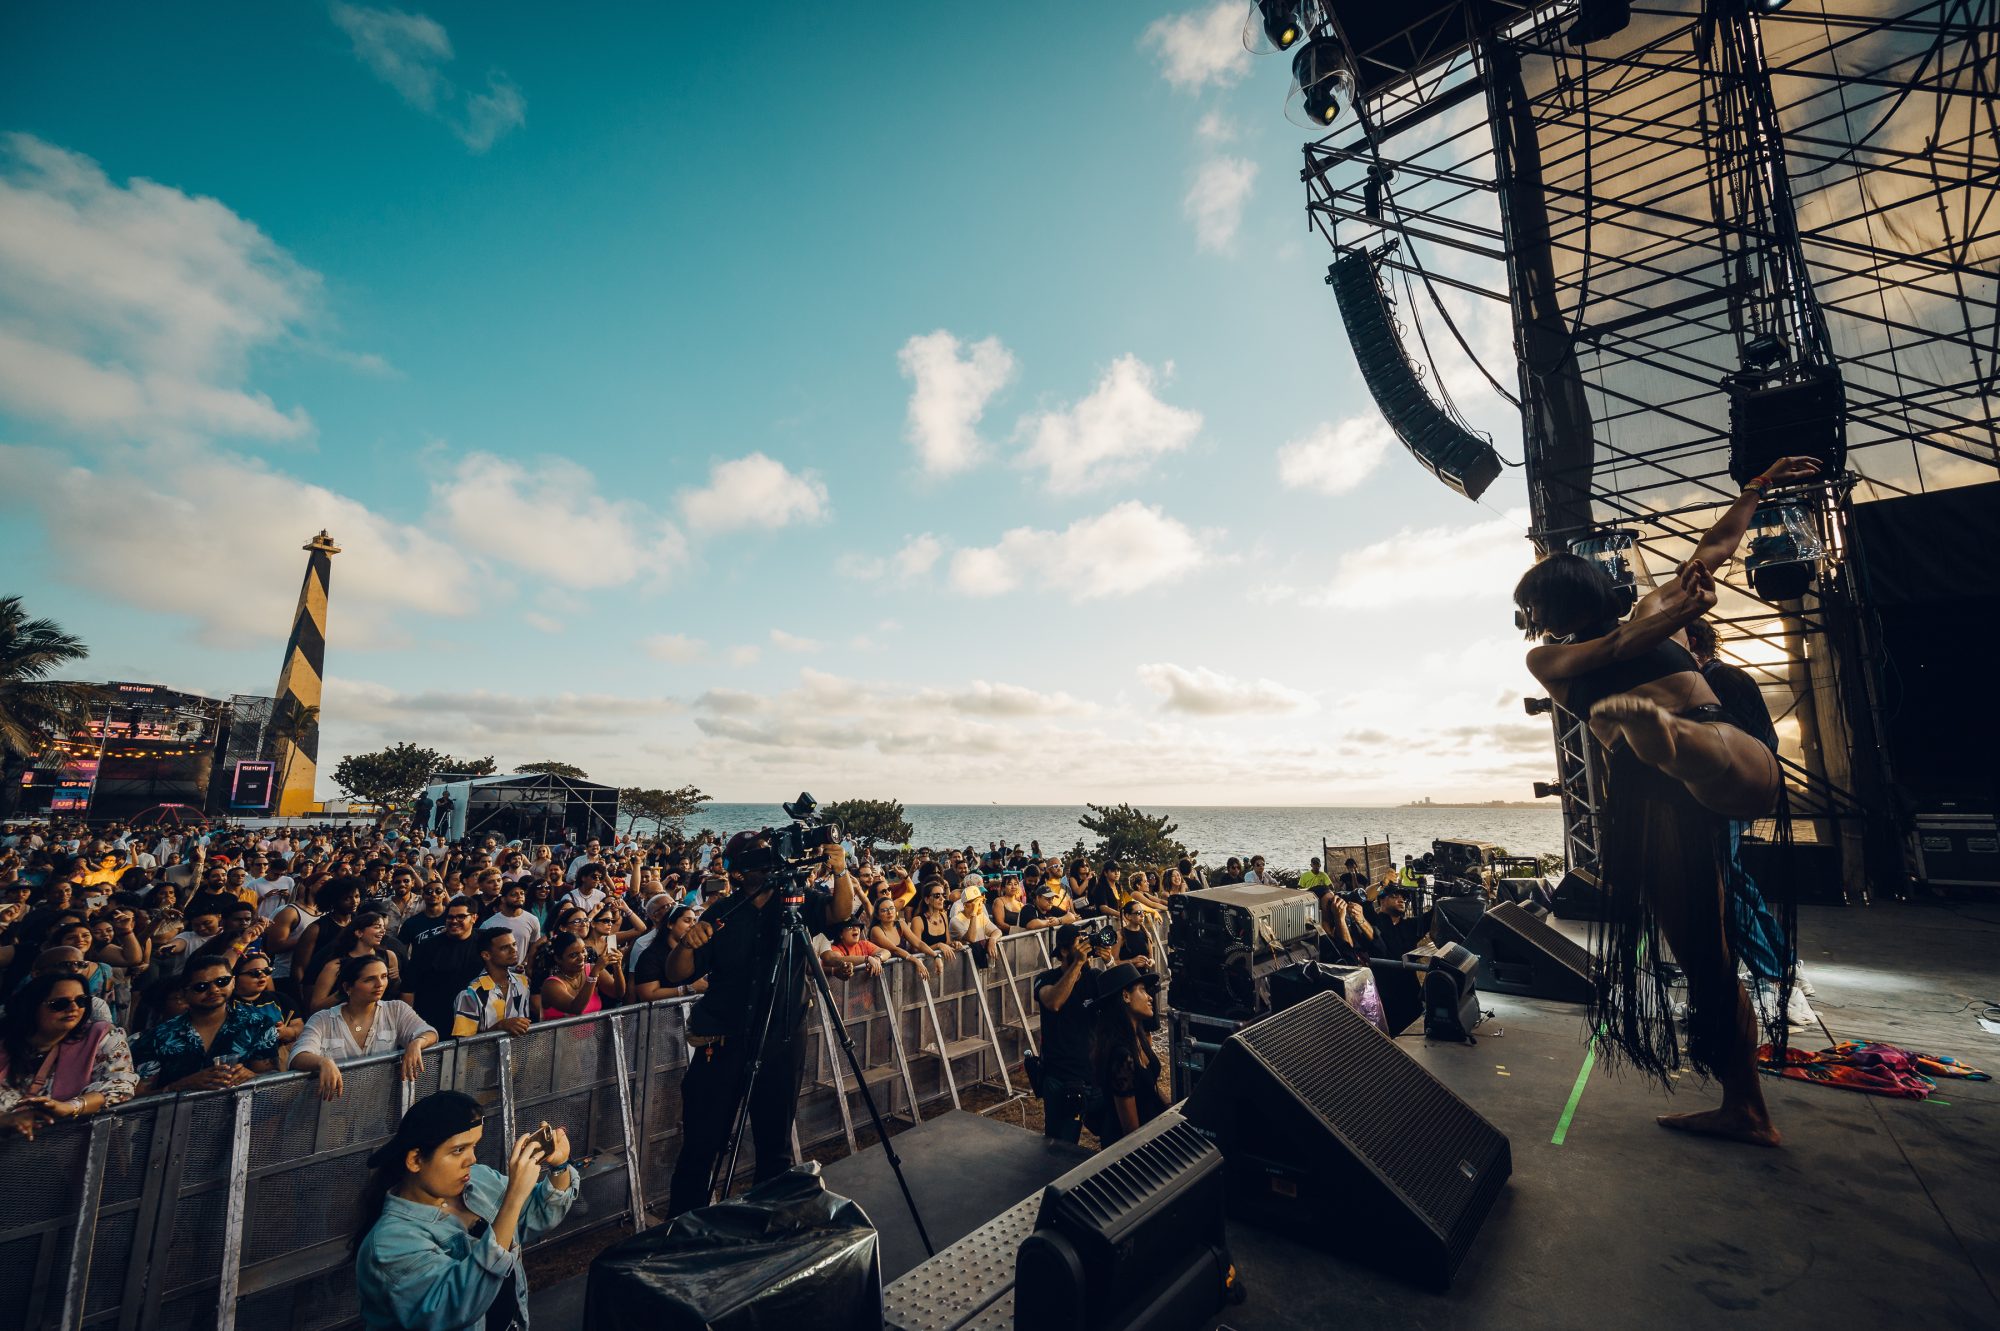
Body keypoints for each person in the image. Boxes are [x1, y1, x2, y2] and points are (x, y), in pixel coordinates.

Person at [1512, 454, 1819, 1148]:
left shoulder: (1654, 613)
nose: (1528, 622)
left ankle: (1666, 735)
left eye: (1532, 609)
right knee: (1709, 962)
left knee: (1700, 752)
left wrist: (1755, 490)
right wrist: (1680, 609)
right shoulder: (1552, 662)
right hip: (1667, 793)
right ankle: (1747, 1108)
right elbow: (1618, 645)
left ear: (1548, 605)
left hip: (1696, 767)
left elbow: (1715, 547)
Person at [656, 834, 856, 1217]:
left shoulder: (797, 904)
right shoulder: (722, 913)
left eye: (767, 852)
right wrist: (687, 944)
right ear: (737, 871)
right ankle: (683, 1227)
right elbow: (675, 973)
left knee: (775, 1145)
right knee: (702, 1143)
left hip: (782, 1039)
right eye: (754, 856)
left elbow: (838, 914)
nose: (765, 860)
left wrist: (841, 871)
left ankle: (768, 1224)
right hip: (725, 1041)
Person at [352, 1090, 576, 1331]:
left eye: (474, 1146)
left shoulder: (477, 1180)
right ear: (415, 1160)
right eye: (458, 1150)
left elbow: (538, 1214)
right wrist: (513, 1197)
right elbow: (457, 1306)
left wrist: (559, 1166)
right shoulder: (388, 1243)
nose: (472, 1159)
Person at [0, 972, 137, 1139]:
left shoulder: (101, 1036)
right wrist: (5, 1120)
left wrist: (70, 1107)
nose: (73, 1008)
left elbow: (121, 1086)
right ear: (32, 1006)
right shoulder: (6, 1040)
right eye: (59, 1004)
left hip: (65, 1147)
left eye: (81, 1001)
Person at [290, 956, 439, 1101]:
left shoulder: (396, 1009)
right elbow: (299, 1055)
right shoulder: (322, 1019)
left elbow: (429, 1032)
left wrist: (416, 1043)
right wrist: (323, 1062)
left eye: (384, 976)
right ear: (347, 987)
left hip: (372, 1110)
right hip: (322, 1109)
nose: (379, 984)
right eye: (369, 979)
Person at [131, 957, 280, 1096]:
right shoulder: (157, 1037)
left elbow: (271, 1081)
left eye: (222, 981)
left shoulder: (258, 1025)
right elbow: (137, 1096)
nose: (214, 989)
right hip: (176, 1114)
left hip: (242, 1112)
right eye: (201, 986)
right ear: (184, 993)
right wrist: (180, 1086)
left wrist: (252, 1077)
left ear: (233, 982)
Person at [1034, 923, 1105, 1145]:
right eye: (1079, 942)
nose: (1086, 946)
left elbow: (1120, 1002)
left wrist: (1110, 961)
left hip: (1094, 1076)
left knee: (1113, 1138)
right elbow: (1054, 1002)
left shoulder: (1095, 977)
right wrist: (1078, 963)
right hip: (1061, 1078)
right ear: (1064, 951)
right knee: (1060, 1147)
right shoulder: (1045, 978)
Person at [1086, 962, 1166, 1145]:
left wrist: (1172, 1110)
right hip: (1134, 1149)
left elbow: (1150, 1084)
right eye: (1142, 990)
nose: (1150, 997)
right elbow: (1131, 1130)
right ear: (1126, 996)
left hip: (1151, 1133)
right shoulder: (1121, 1056)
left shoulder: (1139, 1038)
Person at [401, 900, 485, 1034]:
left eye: (461, 917)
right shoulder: (427, 947)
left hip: (475, 1022)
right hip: (435, 1023)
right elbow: (408, 988)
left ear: (474, 918)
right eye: (450, 917)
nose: (454, 921)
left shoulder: (485, 941)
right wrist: (408, 1025)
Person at [1361, 884, 1424, 959]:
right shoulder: (1373, 920)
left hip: (1408, 967)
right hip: (1380, 966)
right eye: (1394, 896)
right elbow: (1367, 897)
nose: (1401, 901)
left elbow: (1434, 914)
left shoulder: (1411, 925)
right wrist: (1382, 883)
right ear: (1382, 901)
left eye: (1403, 898)